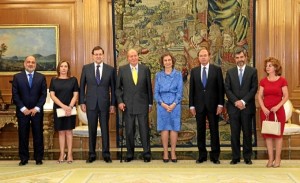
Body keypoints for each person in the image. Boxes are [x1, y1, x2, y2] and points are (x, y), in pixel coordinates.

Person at [79, 46, 116, 163]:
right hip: (90, 104)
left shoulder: (110, 69)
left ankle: (106, 154)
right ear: (93, 56)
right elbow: (82, 87)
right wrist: (81, 102)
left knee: (105, 129)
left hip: (105, 104)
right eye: (96, 54)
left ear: (103, 55)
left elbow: (114, 89)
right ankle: (92, 154)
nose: (98, 56)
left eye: (100, 54)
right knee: (92, 129)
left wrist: (112, 104)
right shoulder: (86, 68)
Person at [116, 49, 153, 163]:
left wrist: (150, 103)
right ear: (128, 58)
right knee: (129, 131)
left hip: (142, 104)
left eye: (135, 56)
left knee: (144, 130)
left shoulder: (145, 69)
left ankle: (146, 153)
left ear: (138, 57)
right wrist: (120, 101)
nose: (133, 58)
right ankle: (129, 154)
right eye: (131, 56)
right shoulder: (122, 70)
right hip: (127, 105)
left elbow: (148, 88)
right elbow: (118, 88)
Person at [189, 47, 224, 164]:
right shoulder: (194, 71)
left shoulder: (216, 70)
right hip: (199, 106)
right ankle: (202, 155)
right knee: (200, 131)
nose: (203, 57)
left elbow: (220, 88)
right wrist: (191, 106)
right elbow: (192, 90)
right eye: (200, 56)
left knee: (214, 130)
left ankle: (215, 156)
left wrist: (220, 104)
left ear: (209, 57)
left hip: (213, 106)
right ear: (198, 58)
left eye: (205, 55)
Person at [224, 47, 258, 165]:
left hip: (247, 108)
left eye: (241, 57)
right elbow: (227, 89)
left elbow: (254, 89)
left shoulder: (252, 71)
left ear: (246, 57)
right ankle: (235, 157)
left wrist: (243, 102)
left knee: (247, 133)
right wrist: (236, 102)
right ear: (234, 59)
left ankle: (247, 157)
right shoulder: (230, 72)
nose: (240, 59)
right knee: (234, 133)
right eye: (237, 57)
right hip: (233, 108)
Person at [12, 55, 47, 166]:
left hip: (36, 112)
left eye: (33, 62)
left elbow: (43, 95)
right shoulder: (17, 77)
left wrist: (36, 108)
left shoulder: (41, 77)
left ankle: (38, 158)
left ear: (35, 64)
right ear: (24, 64)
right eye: (28, 62)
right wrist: (23, 108)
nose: (30, 64)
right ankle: (23, 158)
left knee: (38, 135)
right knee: (23, 135)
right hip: (23, 112)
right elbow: (15, 95)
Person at [257, 57, 288, 168]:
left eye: (270, 66)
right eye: (266, 66)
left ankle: (278, 158)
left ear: (275, 67)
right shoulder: (263, 81)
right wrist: (263, 107)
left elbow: (286, 96)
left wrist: (278, 106)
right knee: (268, 135)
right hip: (265, 112)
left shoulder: (282, 80)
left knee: (278, 135)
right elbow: (260, 96)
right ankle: (270, 159)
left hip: (278, 111)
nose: (267, 68)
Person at [154, 53, 183, 163]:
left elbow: (180, 92)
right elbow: (156, 93)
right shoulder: (158, 75)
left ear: (172, 61)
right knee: (164, 128)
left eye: (169, 60)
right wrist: (163, 104)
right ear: (162, 62)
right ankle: (165, 152)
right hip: (162, 105)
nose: (167, 62)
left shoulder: (178, 75)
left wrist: (174, 104)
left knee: (174, 128)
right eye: (165, 60)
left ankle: (173, 152)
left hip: (175, 105)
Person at [49, 60, 79, 164]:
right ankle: (62, 154)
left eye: (65, 66)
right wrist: (63, 107)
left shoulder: (73, 80)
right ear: (58, 68)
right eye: (61, 66)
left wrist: (69, 107)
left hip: (70, 109)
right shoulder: (54, 80)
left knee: (69, 131)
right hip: (59, 109)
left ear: (68, 68)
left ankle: (70, 154)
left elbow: (75, 95)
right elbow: (52, 95)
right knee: (61, 132)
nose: (63, 68)